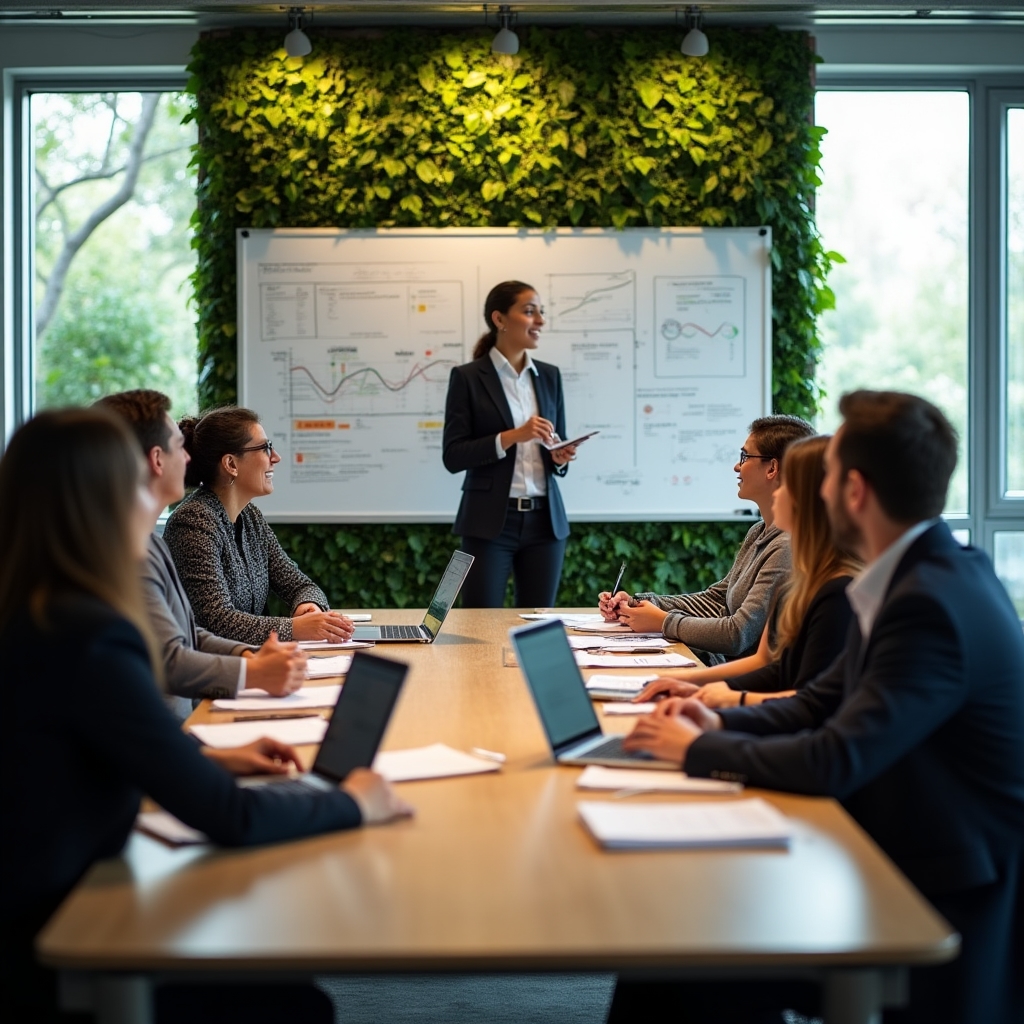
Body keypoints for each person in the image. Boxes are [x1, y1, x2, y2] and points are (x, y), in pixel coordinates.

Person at [621, 391, 1024, 1024]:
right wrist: (717, 717)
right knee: (677, 947)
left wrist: (697, 748)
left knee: (684, 959)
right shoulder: (920, 574)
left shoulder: (927, 603)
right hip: (886, 845)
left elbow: (838, 756)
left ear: (855, 491)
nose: (812, 488)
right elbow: (821, 699)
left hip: (928, 890)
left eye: (828, 474)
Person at [0, 408, 412, 1022]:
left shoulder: (38, 617)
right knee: (298, 1005)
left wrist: (214, 754)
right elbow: (229, 815)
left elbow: (110, 743)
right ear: (103, 502)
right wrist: (356, 802)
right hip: (67, 936)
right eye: (136, 488)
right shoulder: (94, 640)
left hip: (56, 895)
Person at [98, 390, 308, 721]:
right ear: (157, 459)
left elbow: (188, 632)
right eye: (178, 447)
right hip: (167, 733)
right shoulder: (130, 548)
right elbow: (172, 656)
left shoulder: (148, 542)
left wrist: (249, 656)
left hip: (177, 733)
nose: (187, 458)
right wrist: (255, 670)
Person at [634, 434, 861, 709]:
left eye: (789, 485)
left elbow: (815, 703)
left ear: (815, 497)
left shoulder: (833, 589)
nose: (778, 492)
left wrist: (725, 700)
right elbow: (771, 664)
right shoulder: (799, 578)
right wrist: (691, 684)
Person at [600, 415, 814, 664]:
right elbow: (717, 600)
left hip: (747, 682)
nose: (737, 466)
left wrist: (662, 622)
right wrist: (642, 604)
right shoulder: (759, 531)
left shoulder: (785, 546)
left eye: (745, 457)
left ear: (772, 468)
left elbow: (738, 634)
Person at [163, 406, 355, 646]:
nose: (276, 457)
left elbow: (300, 585)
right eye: (265, 448)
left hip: (252, 665)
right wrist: (296, 628)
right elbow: (215, 621)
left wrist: (309, 607)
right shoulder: (193, 523)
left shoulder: (250, 517)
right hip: (217, 675)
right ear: (231, 464)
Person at [442, 281, 578, 608]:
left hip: (546, 523)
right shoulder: (468, 377)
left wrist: (559, 457)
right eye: (530, 312)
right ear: (499, 319)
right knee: (480, 622)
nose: (540, 321)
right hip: (489, 524)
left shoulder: (549, 375)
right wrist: (514, 435)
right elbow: (453, 455)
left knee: (538, 623)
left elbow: (555, 449)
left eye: (541, 313)